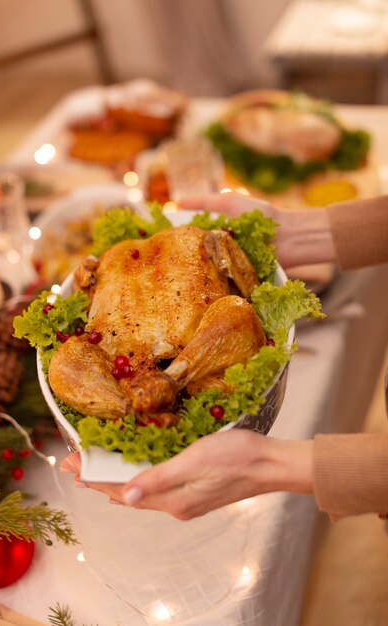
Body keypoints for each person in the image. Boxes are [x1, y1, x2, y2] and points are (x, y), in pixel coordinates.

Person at [60, 192, 388, 521]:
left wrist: (264, 466)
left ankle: (167, 384)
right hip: (120, 353)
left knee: (235, 312)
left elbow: (248, 300)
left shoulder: (197, 240)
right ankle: (130, 405)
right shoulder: (112, 257)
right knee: (66, 359)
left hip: (199, 343)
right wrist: (298, 232)